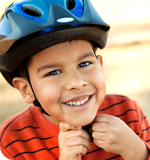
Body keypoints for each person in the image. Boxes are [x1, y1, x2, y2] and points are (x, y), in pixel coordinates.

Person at [0, 0, 150, 159]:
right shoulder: (14, 141)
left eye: (84, 64)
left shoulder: (128, 112)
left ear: (100, 66)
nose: (77, 83)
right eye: (54, 72)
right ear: (26, 89)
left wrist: (134, 150)